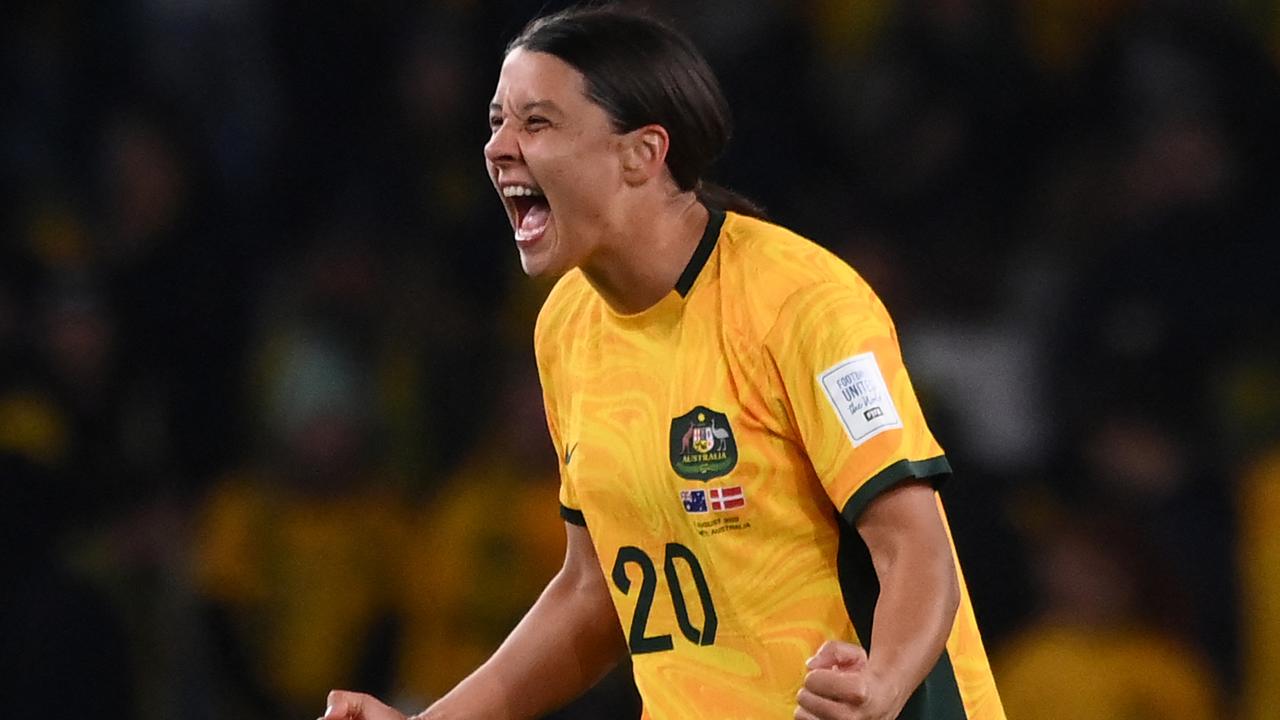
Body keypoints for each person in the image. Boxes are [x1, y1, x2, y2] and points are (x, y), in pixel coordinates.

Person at [321, 6, 1004, 719]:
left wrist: (880, 689)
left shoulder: (801, 302)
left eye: (536, 122)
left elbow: (916, 551)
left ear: (641, 154)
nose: (498, 147)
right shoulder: (566, 325)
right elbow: (595, 594)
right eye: (495, 121)